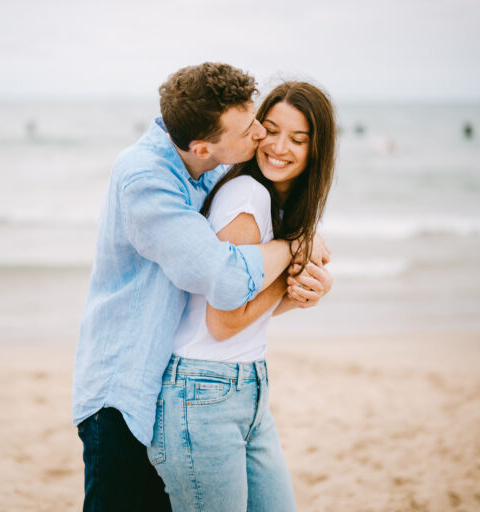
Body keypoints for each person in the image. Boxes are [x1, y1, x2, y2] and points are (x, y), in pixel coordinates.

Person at [71, 64, 332, 512]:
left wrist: (295, 292)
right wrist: (293, 246)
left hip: (177, 386)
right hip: (122, 394)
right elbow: (228, 285)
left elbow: (232, 301)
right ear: (203, 146)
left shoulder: (213, 166)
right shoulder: (146, 179)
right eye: (255, 127)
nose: (260, 136)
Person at [146, 81, 336, 512]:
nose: (279, 147)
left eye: (298, 139)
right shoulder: (246, 196)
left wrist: (305, 290)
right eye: (270, 129)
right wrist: (292, 260)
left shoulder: (277, 204)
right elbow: (224, 321)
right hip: (202, 392)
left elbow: (253, 308)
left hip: (245, 390)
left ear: (316, 149)